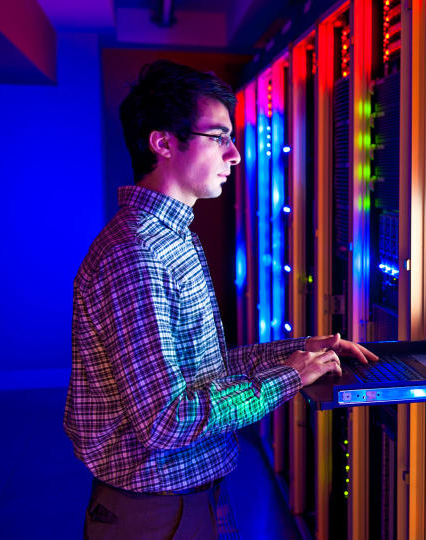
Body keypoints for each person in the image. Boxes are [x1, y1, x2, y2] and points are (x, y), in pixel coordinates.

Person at [64, 59, 376, 539]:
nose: (235, 154)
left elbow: (199, 375)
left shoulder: (171, 238)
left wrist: (300, 351)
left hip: (186, 500)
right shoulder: (138, 255)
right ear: (164, 142)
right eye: (219, 137)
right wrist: (291, 376)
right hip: (159, 513)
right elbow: (168, 420)